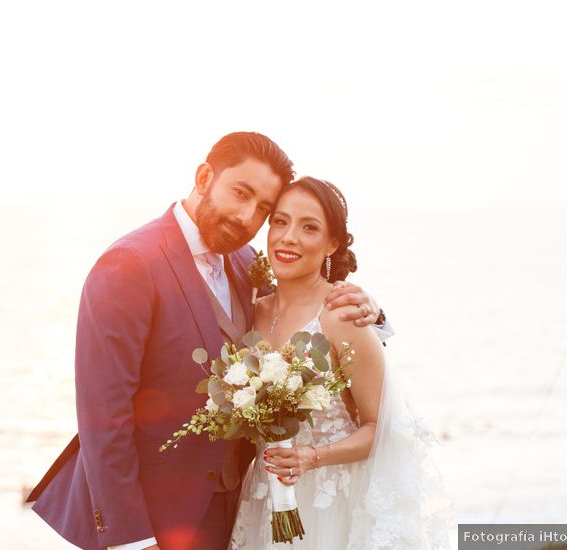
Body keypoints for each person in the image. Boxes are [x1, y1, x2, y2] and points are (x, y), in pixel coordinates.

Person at [26, 132, 389, 550]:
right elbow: (102, 416)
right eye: (240, 193)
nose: (247, 216)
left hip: (239, 510)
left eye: (263, 209)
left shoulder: (245, 262)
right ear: (203, 177)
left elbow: (304, 319)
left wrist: (373, 313)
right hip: (157, 519)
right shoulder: (129, 263)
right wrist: (132, 539)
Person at [230, 177, 452, 549]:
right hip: (264, 498)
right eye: (280, 222)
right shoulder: (252, 310)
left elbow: (381, 427)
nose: (288, 237)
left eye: (309, 227)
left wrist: (312, 457)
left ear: (332, 243)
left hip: (330, 503)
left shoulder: (341, 315)